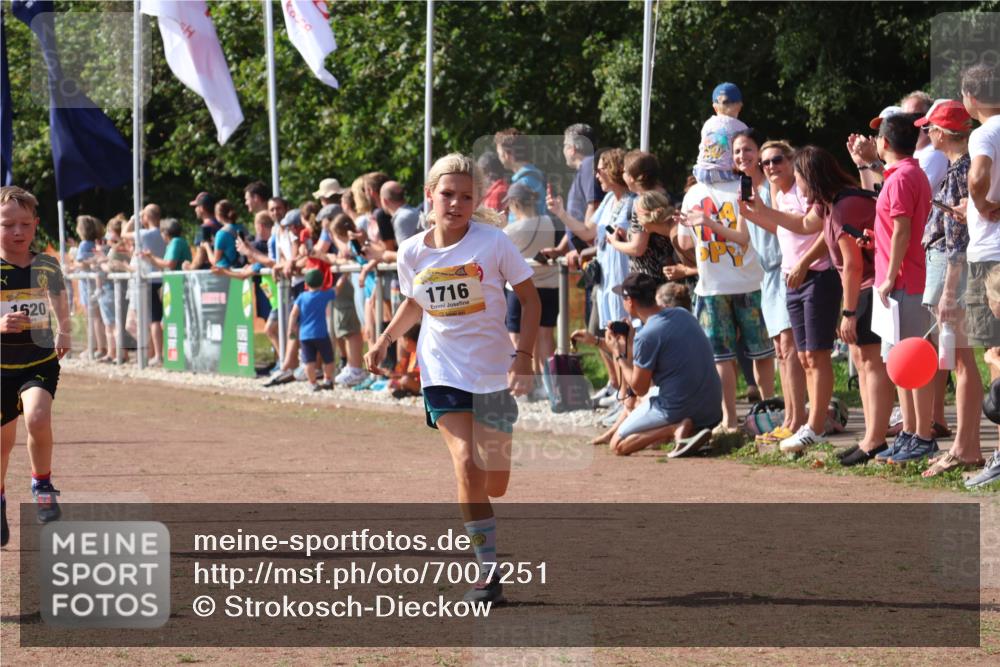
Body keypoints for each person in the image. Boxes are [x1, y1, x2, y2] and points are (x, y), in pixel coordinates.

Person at [364, 153, 540, 604]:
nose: (456, 204)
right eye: (447, 195)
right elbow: (414, 302)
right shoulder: (412, 251)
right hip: (441, 367)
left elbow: (530, 298)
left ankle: (487, 527)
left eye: (466, 196)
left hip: (492, 368)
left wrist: (523, 356)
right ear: (430, 196)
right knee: (465, 462)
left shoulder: (493, 243)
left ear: (476, 200)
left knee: (494, 481)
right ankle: (487, 571)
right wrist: (384, 339)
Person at [776, 146, 894, 466]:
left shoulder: (844, 205)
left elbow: (854, 265)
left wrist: (849, 312)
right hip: (863, 287)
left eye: (798, 176)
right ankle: (872, 437)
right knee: (861, 358)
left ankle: (875, 439)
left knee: (871, 364)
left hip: (871, 287)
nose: (795, 182)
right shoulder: (832, 204)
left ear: (810, 178)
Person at [740, 140, 837, 453]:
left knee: (805, 353)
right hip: (789, 276)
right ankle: (797, 419)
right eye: (765, 163)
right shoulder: (779, 193)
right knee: (792, 352)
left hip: (815, 274)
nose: (770, 167)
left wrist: (804, 262)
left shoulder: (802, 188)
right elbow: (784, 228)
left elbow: (820, 228)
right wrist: (753, 214)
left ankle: (806, 423)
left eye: (777, 160)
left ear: (792, 160)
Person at [913, 100, 985, 475]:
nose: (926, 134)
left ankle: (964, 448)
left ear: (941, 133)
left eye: (929, 128)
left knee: (960, 360)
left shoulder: (960, 169)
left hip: (954, 270)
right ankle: (966, 446)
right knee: (961, 360)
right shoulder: (965, 165)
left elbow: (957, 241)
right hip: (956, 267)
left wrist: (948, 291)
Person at [677, 160, 774, 432]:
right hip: (751, 280)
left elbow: (684, 243)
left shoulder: (694, 193)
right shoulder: (746, 186)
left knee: (721, 357)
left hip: (713, 283)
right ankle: (770, 414)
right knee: (762, 354)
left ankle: (728, 419)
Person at [862, 112, 937, 464]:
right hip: (899, 280)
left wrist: (890, 275)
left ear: (886, 143)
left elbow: (904, 230)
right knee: (899, 363)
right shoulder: (904, 174)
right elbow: (897, 230)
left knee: (911, 363)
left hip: (905, 282)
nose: (875, 141)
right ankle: (910, 432)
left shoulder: (903, 176)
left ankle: (923, 435)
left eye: (879, 137)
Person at [1, 186, 72, 547]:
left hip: (38, 360)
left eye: (25, 224)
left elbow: (59, 296)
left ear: (35, 225)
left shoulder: (46, 264)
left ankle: (42, 484)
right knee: (1, 442)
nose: (17, 231)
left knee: (38, 419)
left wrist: (65, 330)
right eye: (8, 224)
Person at [732, 129, 806, 445]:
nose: (743, 157)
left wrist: (756, 212)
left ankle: (796, 418)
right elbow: (743, 238)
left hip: (784, 270)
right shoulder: (748, 190)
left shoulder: (772, 188)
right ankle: (790, 416)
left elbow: (781, 229)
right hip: (768, 275)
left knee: (790, 349)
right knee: (781, 350)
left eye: (748, 150)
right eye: (737, 153)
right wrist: (703, 225)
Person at [547, 148, 634, 408]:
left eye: (602, 168)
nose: (596, 175)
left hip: (623, 275)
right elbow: (587, 231)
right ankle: (622, 394)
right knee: (612, 337)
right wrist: (561, 213)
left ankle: (628, 396)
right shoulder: (608, 201)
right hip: (606, 278)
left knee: (625, 338)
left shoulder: (631, 202)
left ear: (616, 170)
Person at [605, 272, 722, 456]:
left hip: (679, 407)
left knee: (617, 445)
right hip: (712, 410)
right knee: (650, 403)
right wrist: (630, 345)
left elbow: (639, 388)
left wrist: (618, 354)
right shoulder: (682, 313)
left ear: (630, 302)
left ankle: (673, 428)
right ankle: (687, 431)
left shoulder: (646, 335)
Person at [960, 63, 1000, 487]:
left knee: (996, 355)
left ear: (970, 98)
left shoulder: (984, 132)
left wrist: (983, 202)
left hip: (992, 255)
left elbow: (977, 177)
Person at [501, 182, 558, 398]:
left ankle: (520, 386)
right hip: (550, 284)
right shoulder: (549, 222)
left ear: (514, 203)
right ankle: (550, 387)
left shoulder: (511, 230)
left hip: (520, 289)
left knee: (516, 336)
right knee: (546, 336)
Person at [124, 203, 167, 366]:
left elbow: (124, 233)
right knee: (153, 317)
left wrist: (133, 218)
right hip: (156, 279)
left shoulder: (145, 234)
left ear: (147, 217)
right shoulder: (161, 234)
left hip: (147, 280)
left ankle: (157, 355)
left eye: (143, 216)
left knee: (153, 318)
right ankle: (153, 354)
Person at [693, 82, 749, 185]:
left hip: (702, 173)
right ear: (740, 106)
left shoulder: (707, 124)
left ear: (714, 107)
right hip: (725, 173)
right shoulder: (741, 127)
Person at [289, 269, 336, 391]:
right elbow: (337, 290)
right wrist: (344, 277)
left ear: (306, 284)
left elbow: (293, 314)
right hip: (321, 333)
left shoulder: (301, 297)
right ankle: (328, 379)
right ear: (321, 283)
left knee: (309, 361)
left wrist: (291, 329)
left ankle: (312, 382)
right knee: (328, 358)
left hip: (305, 335)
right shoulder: (323, 295)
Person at [70, 214, 107, 360]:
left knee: (92, 318)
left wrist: (73, 264)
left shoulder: (84, 244)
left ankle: (96, 348)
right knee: (96, 318)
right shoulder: (93, 243)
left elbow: (82, 263)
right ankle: (97, 347)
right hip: (92, 284)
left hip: (88, 286)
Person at [901, 91, 949, 193]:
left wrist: (874, 164)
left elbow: (904, 195)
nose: (910, 122)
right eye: (904, 118)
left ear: (929, 119)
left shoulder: (935, 153)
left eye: (916, 116)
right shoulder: (907, 152)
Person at [495, 128, 547, 220]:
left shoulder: (522, 184)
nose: (499, 157)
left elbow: (521, 223)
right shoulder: (539, 176)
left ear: (507, 154)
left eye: (499, 153)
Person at [189, 191, 220, 270]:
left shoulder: (203, 228)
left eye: (196, 206)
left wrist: (189, 268)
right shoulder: (222, 225)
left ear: (202, 208)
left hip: (207, 273)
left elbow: (200, 258)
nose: (195, 209)